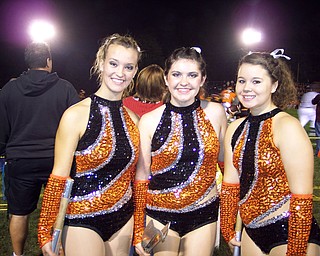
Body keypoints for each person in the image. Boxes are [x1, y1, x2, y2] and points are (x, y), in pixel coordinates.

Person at [38, 33, 141, 256]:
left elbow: (135, 176)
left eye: (128, 67)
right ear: (101, 63)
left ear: (134, 71)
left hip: (123, 218)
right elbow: (58, 177)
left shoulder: (134, 120)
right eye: (114, 63)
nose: (120, 73)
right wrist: (46, 229)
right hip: (81, 218)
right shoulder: (75, 115)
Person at [220, 49, 320, 256]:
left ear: (274, 85)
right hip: (252, 231)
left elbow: (302, 197)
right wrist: (228, 228)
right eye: (241, 81)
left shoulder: (287, 126)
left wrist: (296, 249)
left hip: (289, 230)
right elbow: (230, 185)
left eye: (256, 81)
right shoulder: (235, 127)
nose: (247, 88)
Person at [133, 47, 227, 256]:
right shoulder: (149, 121)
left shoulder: (216, 113)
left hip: (204, 213)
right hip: (158, 215)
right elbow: (141, 177)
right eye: (176, 74)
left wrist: (229, 218)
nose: (184, 82)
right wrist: (139, 227)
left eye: (192, 75)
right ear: (166, 79)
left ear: (202, 79)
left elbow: (226, 166)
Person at [0, 42, 79, 256]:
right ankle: (57, 250)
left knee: (19, 213)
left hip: (21, 161)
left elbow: (2, 129)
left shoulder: (9, 89)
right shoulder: (65, 88)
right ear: (48, 61)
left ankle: (18, 254)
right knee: (60, 212)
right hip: (56, 161)